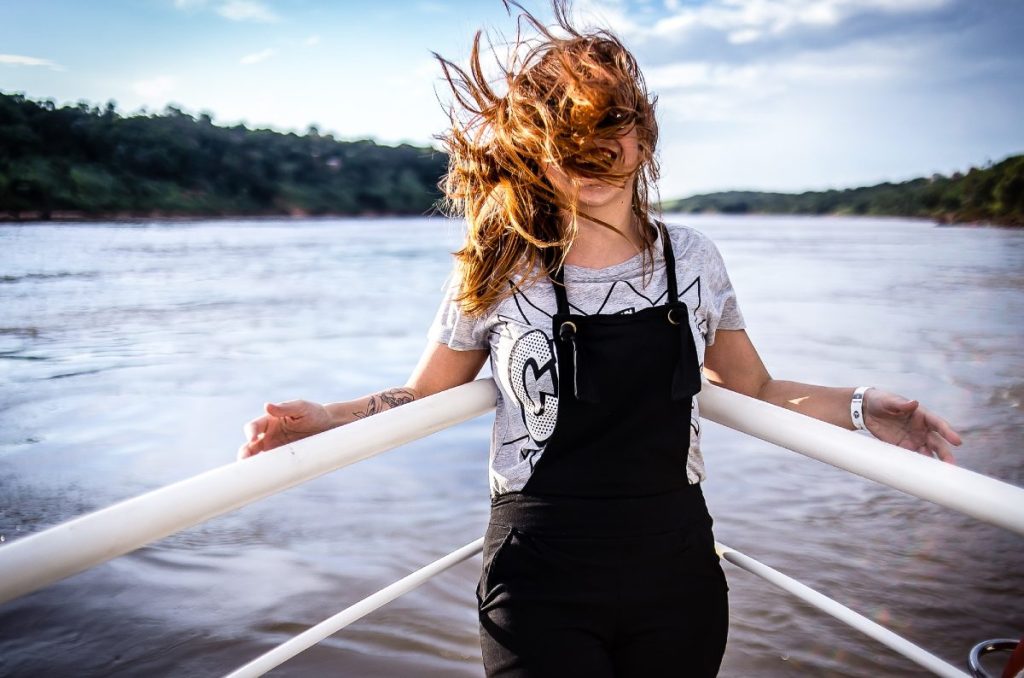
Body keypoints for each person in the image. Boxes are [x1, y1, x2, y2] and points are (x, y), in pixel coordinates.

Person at [236, 2, 962, 675]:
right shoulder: (501, 263)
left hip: (676, 571)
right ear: (537, 150)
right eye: (566, 135)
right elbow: (426, 391)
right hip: (538, 574)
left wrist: (867, 407)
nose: (593, 152)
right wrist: (329, 420)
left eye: (610, 126)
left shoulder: (695, 259)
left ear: (643, 136)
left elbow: (759, 389)